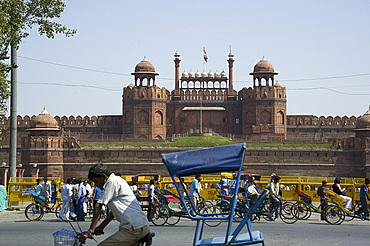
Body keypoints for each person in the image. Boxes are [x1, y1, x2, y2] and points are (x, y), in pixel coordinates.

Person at [79, 164, 149, 245]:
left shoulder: (111, 182)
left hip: (134, 228)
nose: (96, 185)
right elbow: (113, 213)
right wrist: (101, 227)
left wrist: (90, 231)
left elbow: (98, 205)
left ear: (103, 176)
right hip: (139, 226)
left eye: (96, 182)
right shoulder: (117, 180)